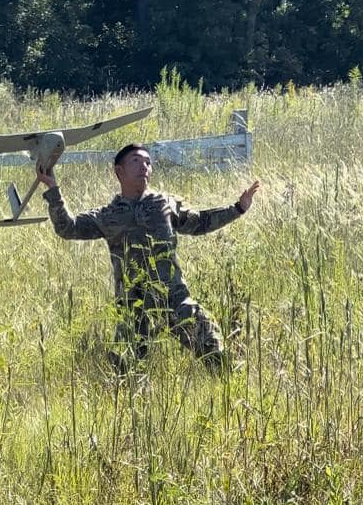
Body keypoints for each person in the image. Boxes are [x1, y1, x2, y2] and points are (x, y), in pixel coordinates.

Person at [37, 144, 260, 368]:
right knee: (128, 370)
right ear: (119, 171)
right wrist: (53, 189)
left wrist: (238, 208)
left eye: (147, 162)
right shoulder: (108, 216)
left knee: (211, 346)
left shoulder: (164, 204)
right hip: (133, 304)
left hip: (172, 296)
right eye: (135, 160)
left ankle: (225, 390)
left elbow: (200, 222)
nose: (144, 166)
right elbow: (68, 227)